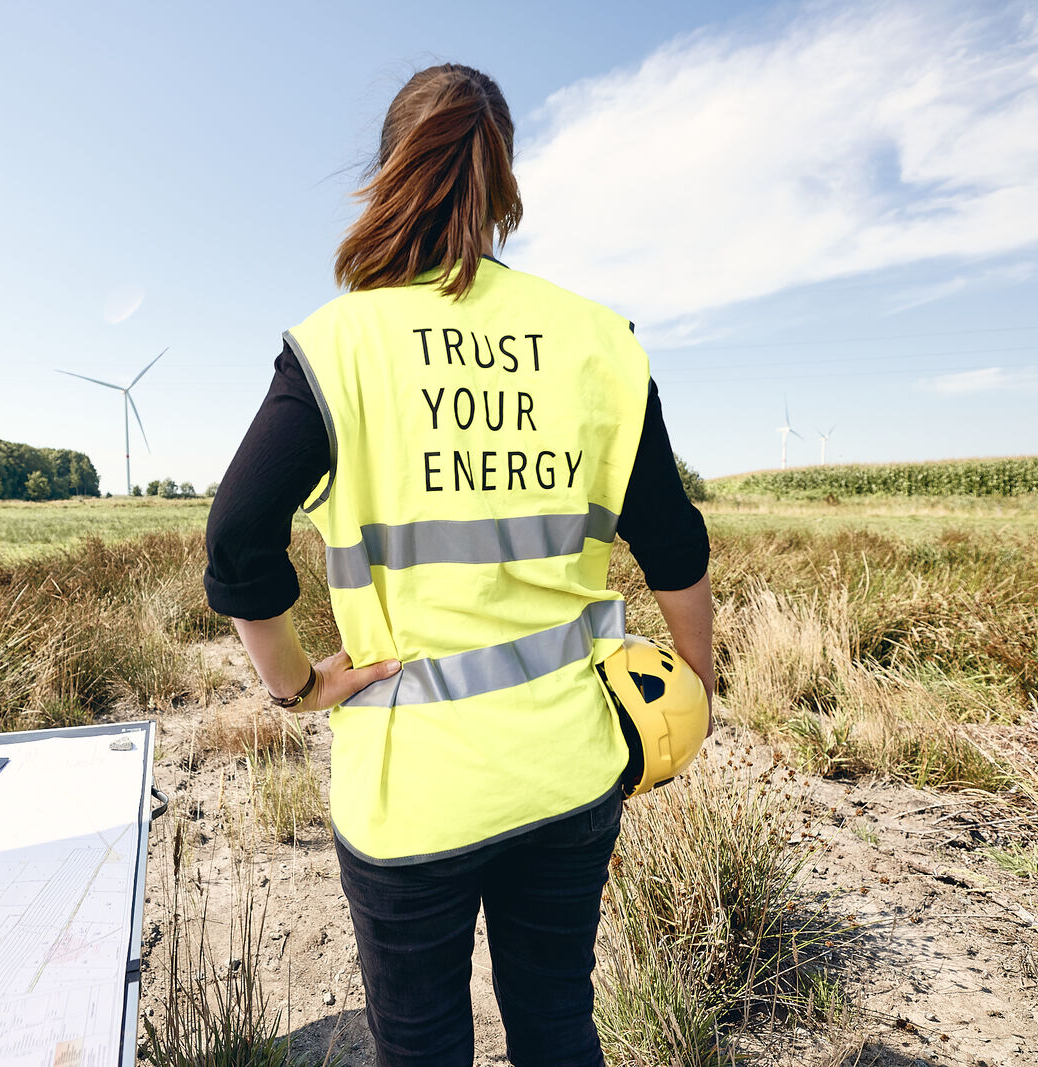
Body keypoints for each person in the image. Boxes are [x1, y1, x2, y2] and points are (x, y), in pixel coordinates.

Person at [204, 63, 713, 1067]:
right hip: (572, 767)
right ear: (503, 179)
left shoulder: (338, 342)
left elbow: (235, 538)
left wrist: (300, 684)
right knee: (558, 1020)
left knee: (423, 1042)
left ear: (389, 166)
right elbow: (673, 540)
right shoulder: (598, 341)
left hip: (412, 793)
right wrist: (694, 682)